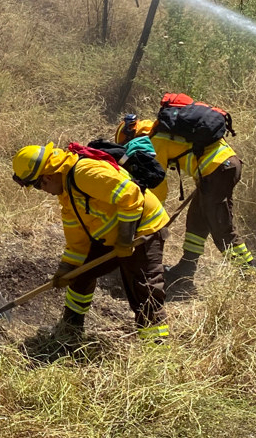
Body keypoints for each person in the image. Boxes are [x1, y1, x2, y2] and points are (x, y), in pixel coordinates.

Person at [11, 142, 170, 342]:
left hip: (142, 230)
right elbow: (77, 239)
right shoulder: (66, 191)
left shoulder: (84, 173)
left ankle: (157, 346)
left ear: (47, 177)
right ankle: (71, 329)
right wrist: (67, 267)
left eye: (37, 185)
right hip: (113, 236)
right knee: (80, 276)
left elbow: (131, 196)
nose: (41, 190)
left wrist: (125, 240)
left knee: (143, 288)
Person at [115, 113, 256, 295]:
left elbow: (157, 188)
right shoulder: (162, 131)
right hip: (220, 168)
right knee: (196, 222)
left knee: (221, 228)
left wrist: (149, 221)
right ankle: (186, 269)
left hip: (217, 169)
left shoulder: (155, 141)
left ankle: (249, 275)